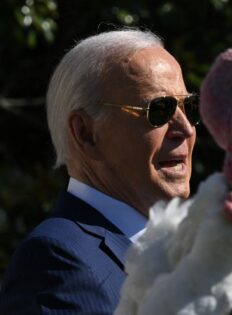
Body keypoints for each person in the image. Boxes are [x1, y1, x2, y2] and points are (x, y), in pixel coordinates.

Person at [0, 29, 198, 314]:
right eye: (160, 110)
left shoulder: (184, 251)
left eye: (187, 107)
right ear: (85, 133)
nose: (185, 129)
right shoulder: (58, 260)